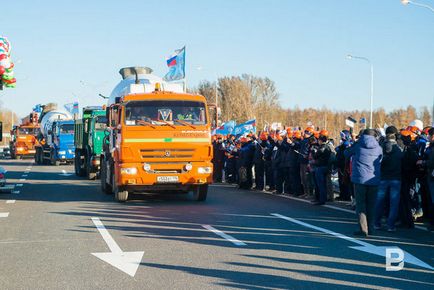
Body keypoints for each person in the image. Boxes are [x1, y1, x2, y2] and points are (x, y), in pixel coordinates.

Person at [346, 129, 383, 237]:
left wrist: (353, 142)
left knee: (361, 205)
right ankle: (371, 228)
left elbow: (346, 153)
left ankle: (363, 229)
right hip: (374, 179)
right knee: (371, 205)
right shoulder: (379, 148)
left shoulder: (358, 145)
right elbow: (381, 160)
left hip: (360, 179)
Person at [374, 126, 403, 232]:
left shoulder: (381, 147)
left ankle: (377, 223)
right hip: (396, 178)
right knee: (394, 203)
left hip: (383, 177)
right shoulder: (399, 149)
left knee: (379, 201)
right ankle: (391, 225)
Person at [311, 132, 332, 205]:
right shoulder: (327, 146)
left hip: (321, 167)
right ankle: (322, 198)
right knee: (321, 184)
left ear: (320, 140)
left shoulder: (323, 147)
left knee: (321, 184)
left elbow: (316, 156)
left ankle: (322, 199)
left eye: (319, 140)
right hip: (324, 166)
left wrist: (313, 151)